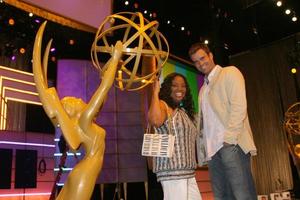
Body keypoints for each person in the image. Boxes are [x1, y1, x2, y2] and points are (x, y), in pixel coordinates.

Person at [33, 22, 123, 200]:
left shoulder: (86, 123)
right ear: (75, 111)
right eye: (74, 101)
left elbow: (102, 97)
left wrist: (110, 70)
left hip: (81, 171)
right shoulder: (84, 121)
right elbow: (104, 89)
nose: (80, 99)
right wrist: (115, 57)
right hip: (85, 173)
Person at [188, 42, 257, 200]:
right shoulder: (203, 90)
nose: (200, 63)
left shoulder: (230, 73)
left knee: (243, 195)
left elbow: (239, 106)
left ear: (211, 55)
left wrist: (229, 139)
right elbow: (205, 123)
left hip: (230, 145)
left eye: (202, 58)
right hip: (213, 152)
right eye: (196, 61)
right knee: (222, 197)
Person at [148, 73, 202, 200]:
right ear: (167, 88)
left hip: (188, 173)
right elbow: (155, 120)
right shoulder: (163, 106)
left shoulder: (183, 111)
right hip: (172, 173)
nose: (180, 89)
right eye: (175, 85)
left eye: (183, 86)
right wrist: (155, 93)